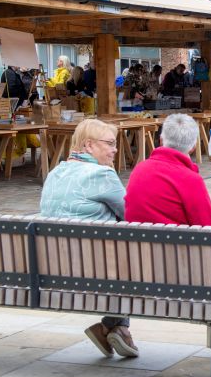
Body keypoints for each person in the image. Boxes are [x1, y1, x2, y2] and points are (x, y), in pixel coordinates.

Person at [38, 119, 138, 358]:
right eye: (110, 144)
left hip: (52, 266)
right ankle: (114, 326)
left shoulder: (55, 172)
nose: (115, 149)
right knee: (136, 258)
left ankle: (115, 327)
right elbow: (131, 215)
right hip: (94, 267)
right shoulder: (102, 174)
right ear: (88, 145)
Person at [125, 114, 211, 227]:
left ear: (161, 140)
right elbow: (209, 228)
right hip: (173, 243)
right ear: (193, 147)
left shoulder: (139, 169)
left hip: (135, 241)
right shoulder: (190, 180)